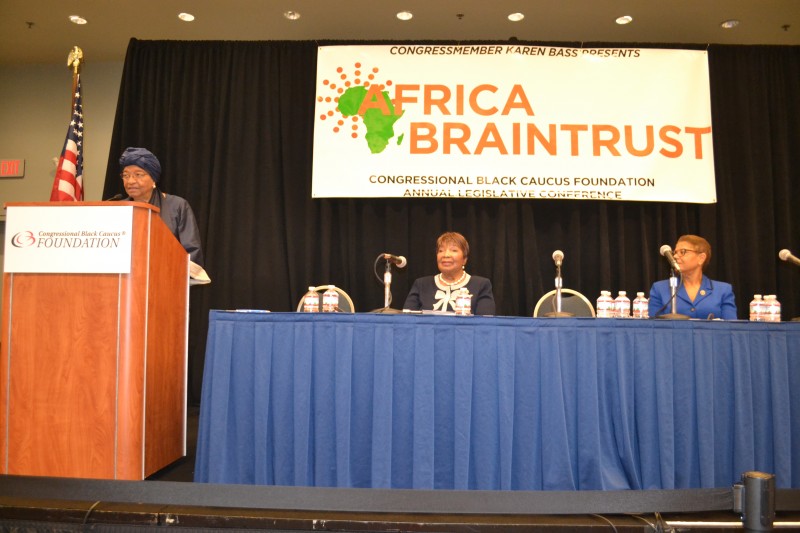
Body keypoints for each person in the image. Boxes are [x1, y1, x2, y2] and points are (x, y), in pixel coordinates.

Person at [119, 147, 204, 266]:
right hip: (126, 280)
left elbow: (191, 253)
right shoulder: (118, 210)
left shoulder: (177, 206)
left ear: (153, 179)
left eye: (138, 174)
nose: (130, 181)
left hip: (167, 277)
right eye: (126, 175)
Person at [403, 231, 496, 315]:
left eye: (454, 250)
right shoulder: (421, 284)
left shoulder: (481, 285)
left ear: (464, 259)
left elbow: (485, 325)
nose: (446, 255)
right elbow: (406, 321)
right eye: (441, 251)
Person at [648, 234, 737, 319]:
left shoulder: (723, 290)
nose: (675, 256)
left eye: (683, 252)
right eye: (675, 252)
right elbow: (653, 327)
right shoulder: (659, 289)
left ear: (701, 258)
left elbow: (731, 328)